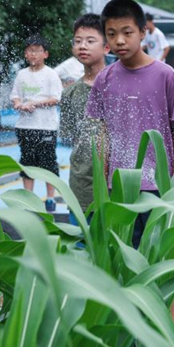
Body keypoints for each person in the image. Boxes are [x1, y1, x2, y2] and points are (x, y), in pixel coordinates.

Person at [87, 0, 174, 247]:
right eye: (112, 34)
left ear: (143, 32)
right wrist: (102, 181)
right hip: (119, 185)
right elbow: (102, 133)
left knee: (155, 249)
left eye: (127, 32)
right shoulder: (104, 79)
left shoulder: (165, 74)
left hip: (158, 183)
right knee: (122, 249)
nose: (119, 40)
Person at [59, 13, 110, 219]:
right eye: (78, 41)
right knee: (80, 236)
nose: (82, 46)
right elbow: (72, 137)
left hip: (115, 183)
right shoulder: (70, 93)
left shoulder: (120, 87)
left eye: (90, 41)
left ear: (107, 47)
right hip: (81, 185)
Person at [10, 34, 63, 212]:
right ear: (25, 54)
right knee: (27, 163)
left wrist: (35, 103)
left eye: (37, 51)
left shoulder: (51, 74)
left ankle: (50, 199)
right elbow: (15, 96)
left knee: (48, 163)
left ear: (45, 54)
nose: (33, 54)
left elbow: (56, 98)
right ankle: (29, 200)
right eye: (30, 51)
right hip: (25, 126)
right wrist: (19, 105)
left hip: (46, 126)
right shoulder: (21, 75)